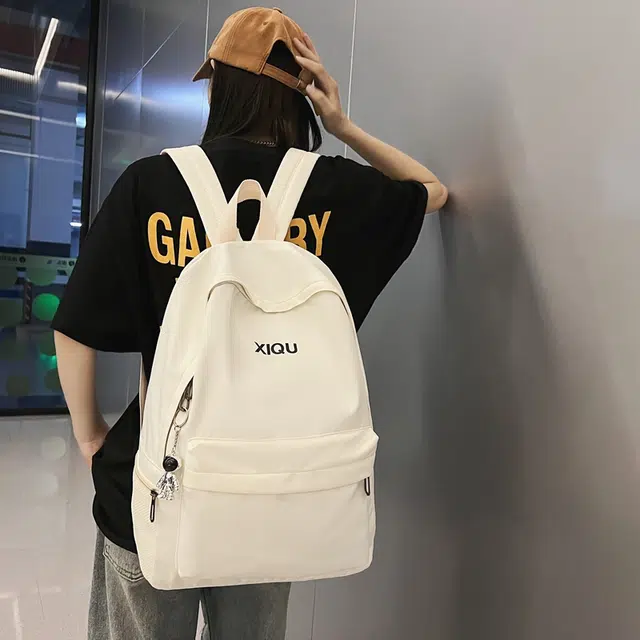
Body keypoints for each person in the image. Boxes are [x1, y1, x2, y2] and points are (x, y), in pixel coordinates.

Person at [52, 7, 448, 640]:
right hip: (270, 490)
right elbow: (431, 190)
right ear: (302, 93)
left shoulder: (152, 184)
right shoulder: (332, 189)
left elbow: (74, 326)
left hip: (155, 475)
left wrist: (92, 435)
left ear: (218, 86)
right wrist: (342, 125)